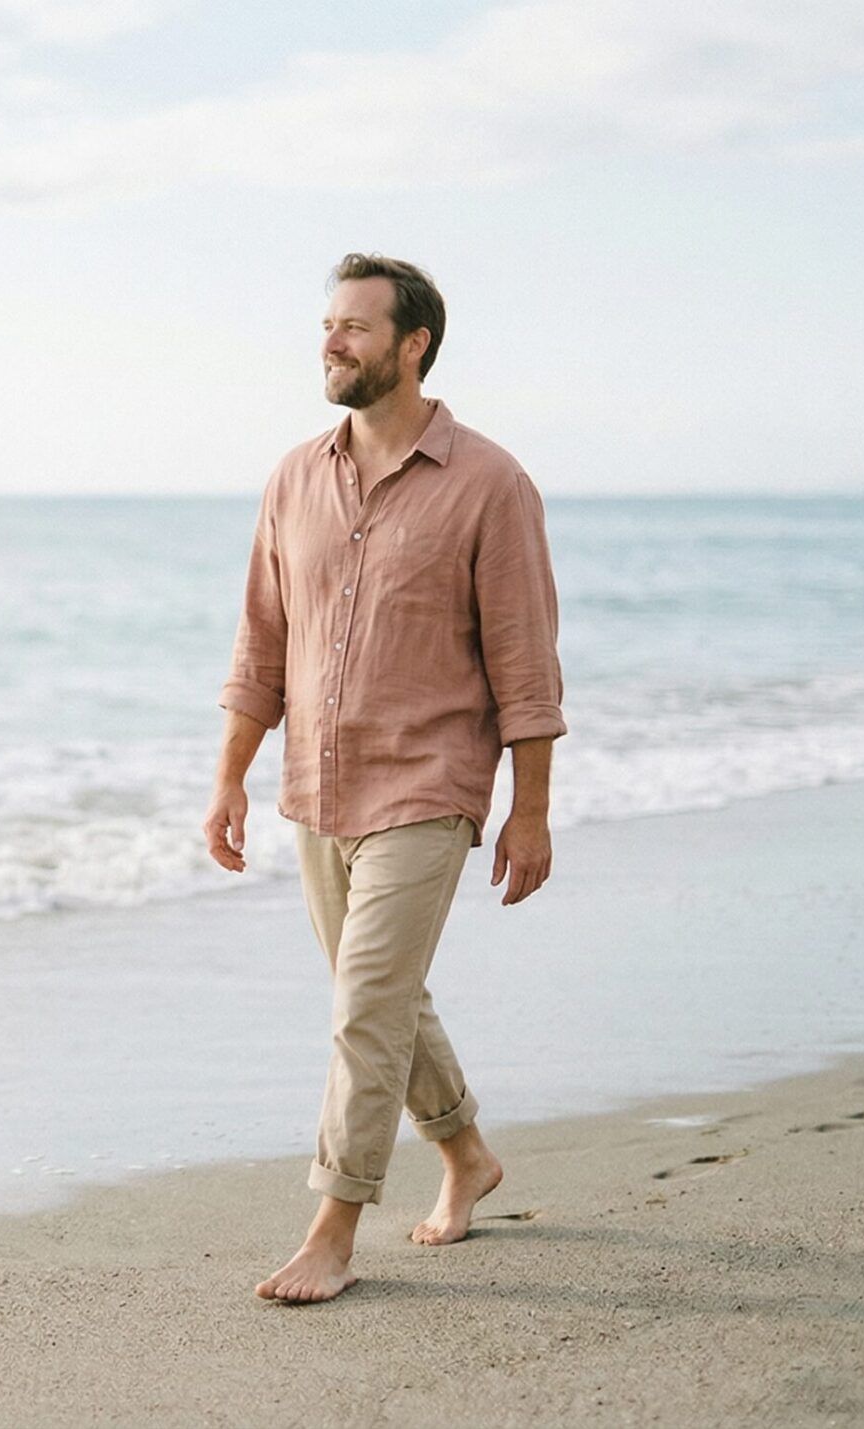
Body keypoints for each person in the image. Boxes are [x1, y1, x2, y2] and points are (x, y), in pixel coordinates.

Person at [203, 252, 566, 1304]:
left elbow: (526, 665)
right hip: (319, 788)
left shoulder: (491, 484)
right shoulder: (292, 479)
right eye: (328, 324)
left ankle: (332, 1228)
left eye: (354, 326)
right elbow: (260, 643)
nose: (331, 341)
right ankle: (466, 1153)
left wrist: (531, 813)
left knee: (365, 1005)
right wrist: (228, 780)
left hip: (430, 783)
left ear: (413, 346)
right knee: (381, 998)